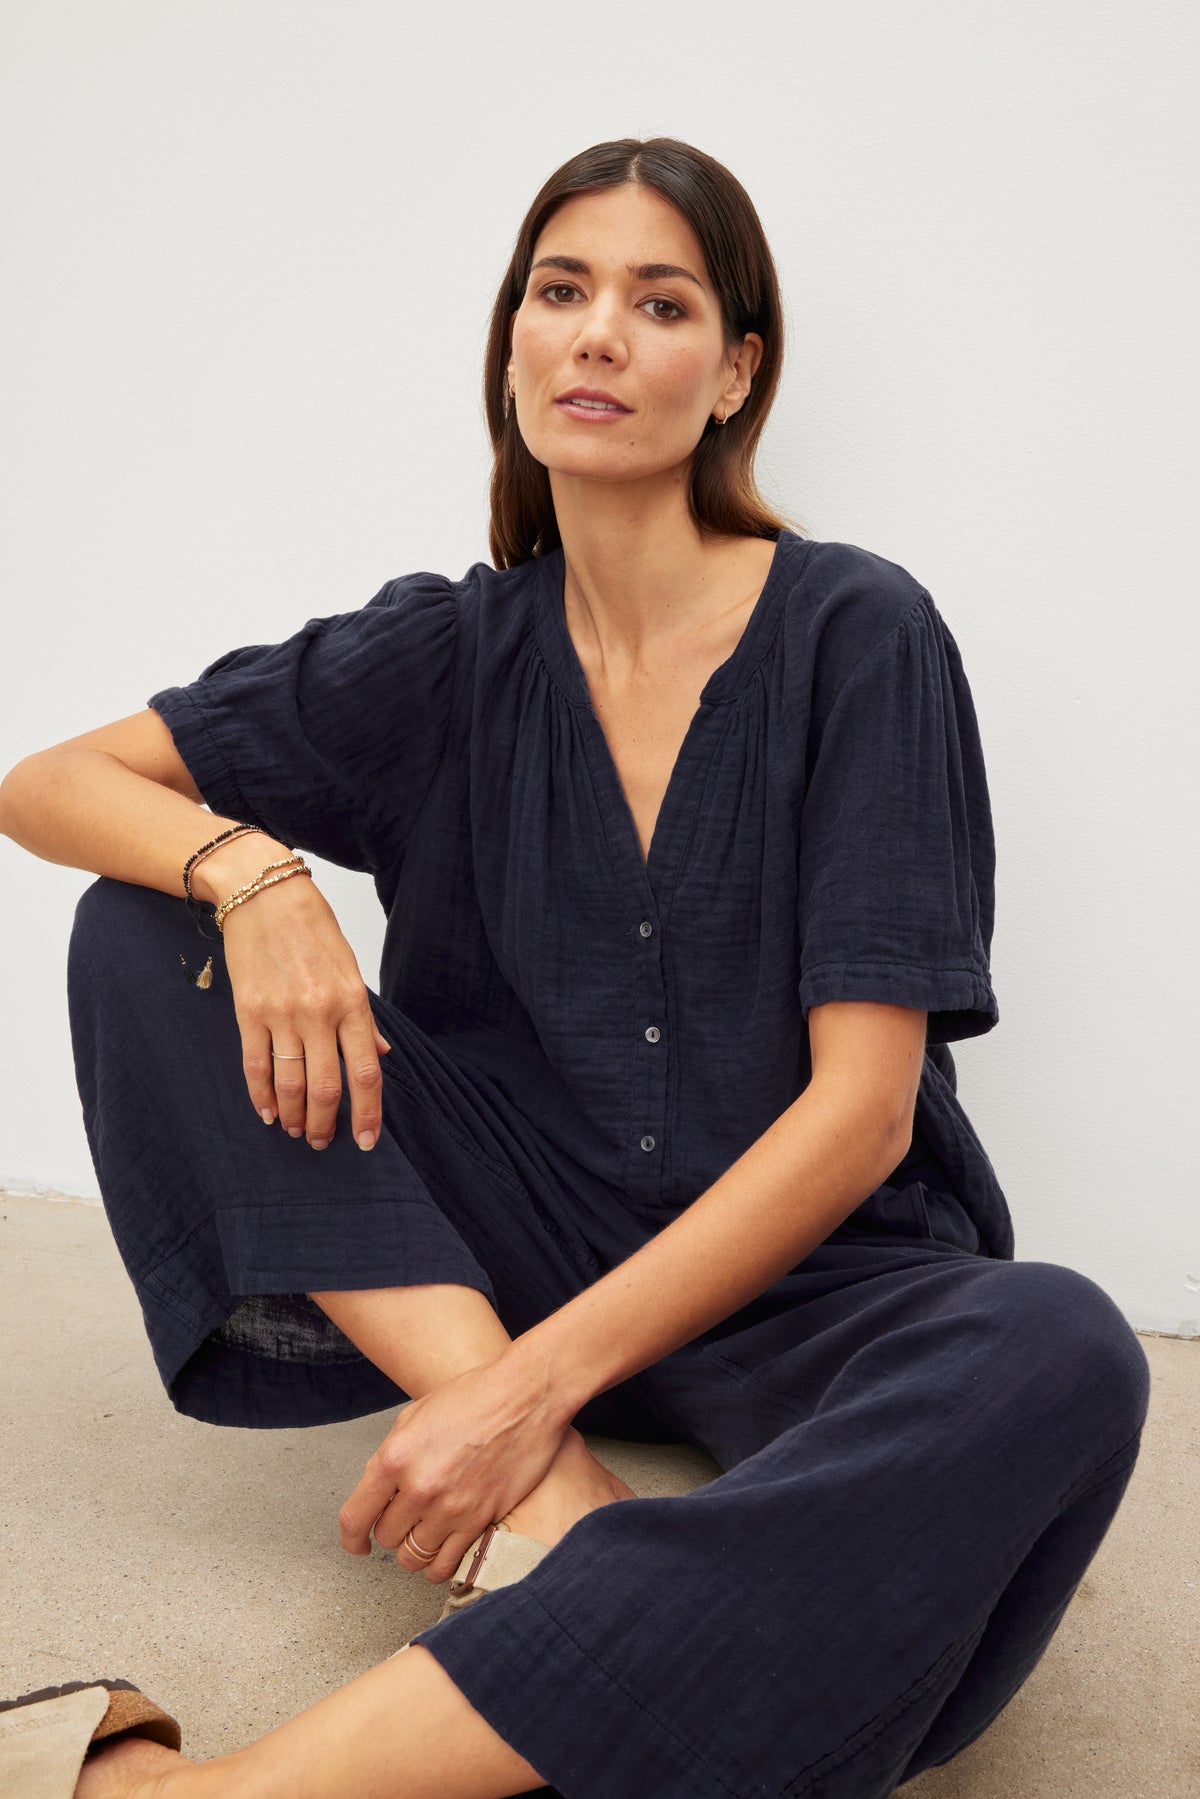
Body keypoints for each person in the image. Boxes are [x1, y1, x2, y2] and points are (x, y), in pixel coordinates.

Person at [0, 137, 1151, 1799]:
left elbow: (864, 1116)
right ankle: (566, 1531)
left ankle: (193, 1793)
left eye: (658, 301)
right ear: (515, 344)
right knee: (145, 922)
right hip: (517, 1226)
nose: (597, 333)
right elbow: (46, 784)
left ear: (736, 370)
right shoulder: (451, 647)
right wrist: (252, 874)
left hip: (816, 1278)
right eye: (561, 291)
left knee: (1064, 1349)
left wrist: (527, 1390)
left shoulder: (857, 631)